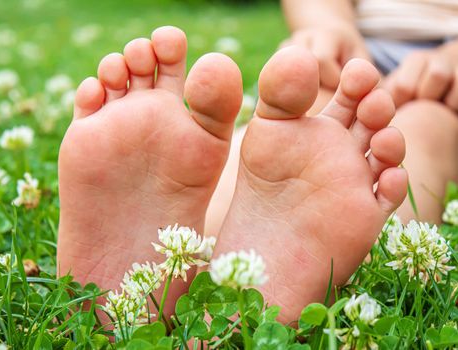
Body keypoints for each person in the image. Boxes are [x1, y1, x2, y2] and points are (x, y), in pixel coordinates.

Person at [56, 25, 406, 323]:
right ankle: (241, 275)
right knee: (325, 145)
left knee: (400, 132)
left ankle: (218, 261)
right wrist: (328, 25)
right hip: (356, 51)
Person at [206, 0, 458, 237]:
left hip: (448, 83)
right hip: (357, 51)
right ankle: (199, 233)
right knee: (300, 122)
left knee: (423, 128)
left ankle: (353, 253)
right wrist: (326, 25)